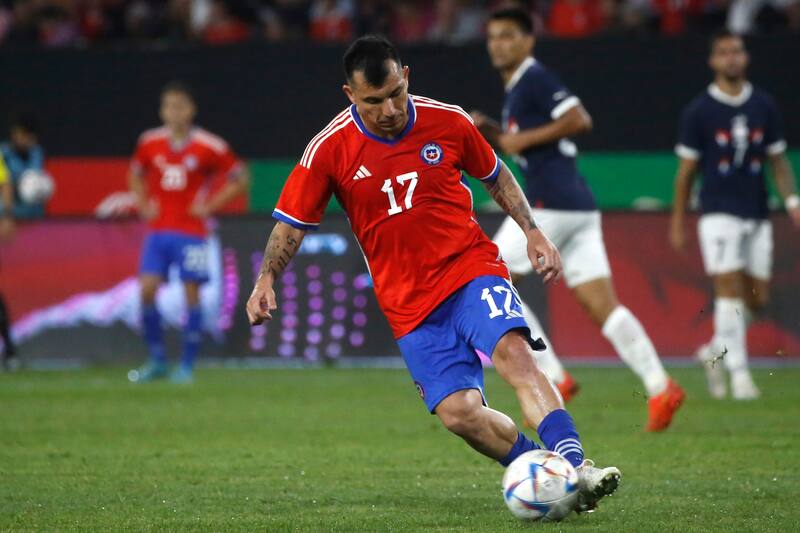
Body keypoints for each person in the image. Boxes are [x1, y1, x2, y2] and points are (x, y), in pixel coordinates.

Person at [246, 35, 620, 514]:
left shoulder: (449, 120)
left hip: (469, 269)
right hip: (408, 303)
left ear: (407, 77)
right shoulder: (329, 149)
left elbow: (496, 175)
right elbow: (291, 226)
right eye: (373, 101)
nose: (388, 110)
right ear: (350, 95)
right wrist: (265, 279)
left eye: (395, 94)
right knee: (460, 414)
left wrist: (532, 230)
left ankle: (574, 466)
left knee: (513, 354)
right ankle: (552, 479)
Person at [470, 6, 684, 431]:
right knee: (603, 306)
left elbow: (579, 119)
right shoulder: (518, 89)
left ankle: (555, 374)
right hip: (579, 206)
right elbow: (525, 145)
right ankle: (661, 388)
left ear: (529, 41)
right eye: (494, 36)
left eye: (509, 35)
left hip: (550, 203)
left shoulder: (535, 78)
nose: (499, 44)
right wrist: (495, 130)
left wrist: (519, 137)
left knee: (491, 278)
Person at [670, 29, 800, 400]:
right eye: (723, 52)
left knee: (756, 299)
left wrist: (791, 201)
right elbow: (686, 173)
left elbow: (778, 160)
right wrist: (678, 221)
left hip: (757, 211)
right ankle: (740, 377)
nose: (731, 58)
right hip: (717, 211)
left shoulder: (764, 105)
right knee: (728, 292)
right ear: (713, 61)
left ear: (745, 58)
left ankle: (713, 351)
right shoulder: (699, 111)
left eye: (737, 51)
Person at [128, 82, 249, 384]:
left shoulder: (210, 145)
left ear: (191, 110)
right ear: (162, 110)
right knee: (146, 290)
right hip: (158, 231)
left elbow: (241, 178)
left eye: (180, 106)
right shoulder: (149, 142)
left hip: (192, 232)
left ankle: (186, 366)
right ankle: (157, 360)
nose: (175, 112)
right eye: (169, 106)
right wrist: (143, 205)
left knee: (191, 294)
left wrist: (209, 206)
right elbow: (134, 173)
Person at [0, 112, 47, 369]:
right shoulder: (5, 153)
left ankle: (9, 352)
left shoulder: (35, 155)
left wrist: (7, 215)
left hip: (24, 219)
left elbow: (4, 183)